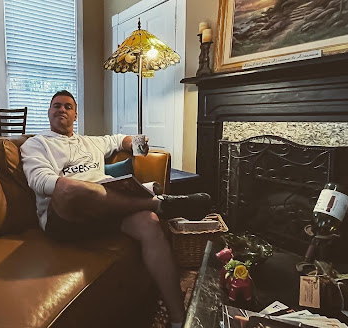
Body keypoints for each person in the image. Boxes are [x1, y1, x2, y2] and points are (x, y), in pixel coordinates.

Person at [20, 90, 211, 328]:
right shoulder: (36, 144)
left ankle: (179, 319)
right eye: (57, 105)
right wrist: (81, 187)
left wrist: (138, 144)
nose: (62, 109)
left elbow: (121, 140)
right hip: (63, 217)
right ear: (48, 112)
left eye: (68, 106)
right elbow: (39, 180)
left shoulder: (90, 142)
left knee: (149, 222)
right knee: (68, 188)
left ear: (76, 115)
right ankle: (161, 203)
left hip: (104, 210)